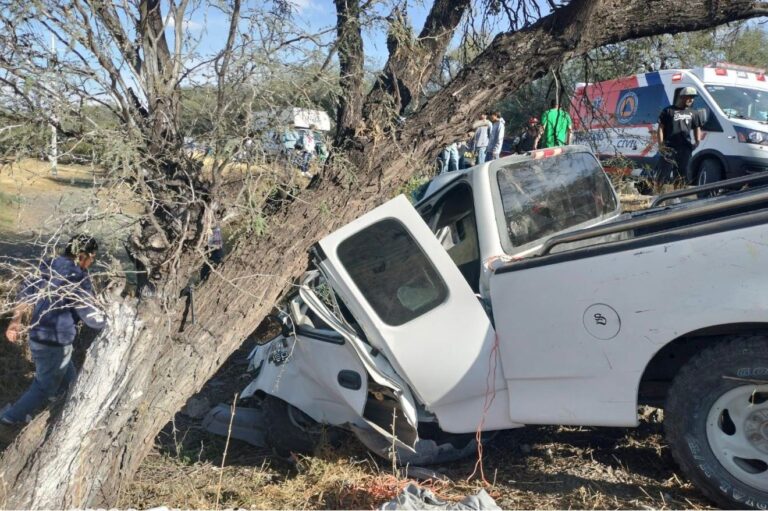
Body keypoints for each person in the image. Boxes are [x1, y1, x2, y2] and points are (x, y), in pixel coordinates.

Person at [0, 235, 106, 443]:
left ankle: (65, 415)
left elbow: (26, 293)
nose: (91, 262)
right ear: (83, 255)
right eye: (92, 258)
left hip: (37, 336)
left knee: (70, 384)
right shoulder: (78, 277)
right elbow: (90, 315)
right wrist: (110, 322)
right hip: (56, 342)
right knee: (44, 386)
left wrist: (15, 321)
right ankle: (9, 419)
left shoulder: (48, 265)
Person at [655, 87, 702, 184]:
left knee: (681, 175)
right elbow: (660, 128)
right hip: (669, 147)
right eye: (689, 97)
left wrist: (697, 142)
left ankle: (678, 193)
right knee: (663, 174)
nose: (691, 100)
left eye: (693, 97)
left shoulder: (694, 113)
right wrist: (661, 145)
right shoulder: (668, 110)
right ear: (681, 97)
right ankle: (658, 192)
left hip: (685, 148)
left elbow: (697, 127)